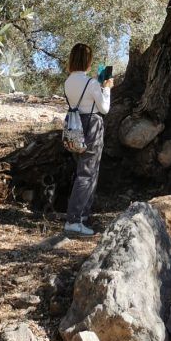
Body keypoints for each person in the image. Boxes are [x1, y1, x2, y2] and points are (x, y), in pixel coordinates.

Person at [63, 42, 114, 238]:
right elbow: (104, 109)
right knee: (88, 173)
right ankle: (74, 220)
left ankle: (82, 216)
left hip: (74, 125)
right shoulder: (91, 83)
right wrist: (107, 88)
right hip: (91, 125)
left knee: (82, 172)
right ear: (88, 61)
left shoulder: (68, 82)